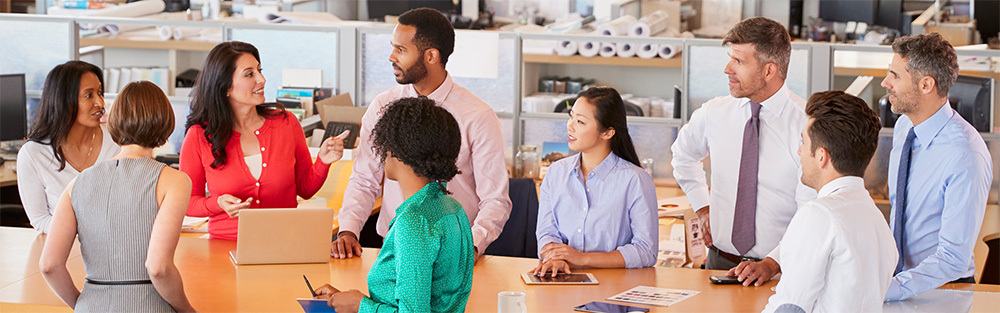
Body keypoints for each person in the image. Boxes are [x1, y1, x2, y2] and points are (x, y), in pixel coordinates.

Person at [332, 7, 511, 259]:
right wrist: (348, 231)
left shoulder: (477, 115)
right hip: (395, 248)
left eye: (401, 49)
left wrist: (470, 248)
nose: (391, 56)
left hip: (454, 253)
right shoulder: (383, 106)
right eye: (393, 47)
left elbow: (495, 200)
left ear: (431, 56)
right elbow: (364, 178)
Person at [670, 17, 815, 285]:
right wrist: (702, 206)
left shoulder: (807, 125)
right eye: (730, 58)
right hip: (719, 264)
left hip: (782, 273)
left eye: (739, 61)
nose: (727, 69)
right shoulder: (715, 113)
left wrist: (774, 263)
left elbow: (813, 210)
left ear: (769, 70)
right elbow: (683, 155)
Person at [39, 81, 196, 312]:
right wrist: (186, 310)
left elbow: (49, 265)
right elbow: (158, 268)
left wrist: (82, 304)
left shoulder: (77, 184)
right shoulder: (174, 181)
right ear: (165, 122)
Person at [313, 97, 473, 313]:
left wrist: (360, 306)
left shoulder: (414, 222)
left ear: (396, 151)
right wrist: (345, 300)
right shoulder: (452, 208)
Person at [180, 41, 348, 240]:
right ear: (225, 87)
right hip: (225, 248)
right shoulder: (199, 135)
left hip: (285, 243)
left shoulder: (286, 123)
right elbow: (188, 203)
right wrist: (217, 204)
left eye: (260, 70)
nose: (262, 79)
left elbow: (305, 189)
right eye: (249, 74)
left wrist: (322, 161)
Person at [761, 91, 896, 313]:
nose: (799, 151)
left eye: (803, 142)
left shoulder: (818, 214)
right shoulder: (875, 218)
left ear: (822, 156)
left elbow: (790, 307)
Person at [880, 33, 991, 301]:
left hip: (943, 290)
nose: (885, 83)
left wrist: (886, 291)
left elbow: (952, 258)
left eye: (895, 75)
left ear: (926, 84)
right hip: (900, 280)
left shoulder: (965, 155)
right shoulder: (905, 126)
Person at [531, 87, 658, 276]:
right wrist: (555, 257)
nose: (570, 126)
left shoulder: (635, 180)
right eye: (571, 116)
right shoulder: (556, 173)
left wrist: (582, 259)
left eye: (580, 121)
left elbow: (646, 251)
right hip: (563, 280)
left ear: (607, 133)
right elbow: (547, 232)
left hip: (615, 286)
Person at [17, 60, 122, 234]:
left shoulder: (117, 141)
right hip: (63, 250)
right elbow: (40, 220)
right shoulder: (33, 154)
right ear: (64, 101)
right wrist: (85, 235)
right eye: (89, 95)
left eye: (100, 92)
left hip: (115, 248)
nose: (100, 102)